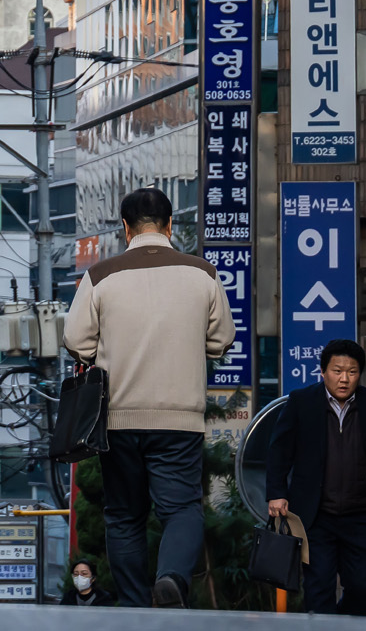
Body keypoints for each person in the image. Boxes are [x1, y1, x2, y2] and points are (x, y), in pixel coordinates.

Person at [64, 186, 234, 609]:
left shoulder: (100, 276)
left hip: (118, 417)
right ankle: (172, 579)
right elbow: (222, 340)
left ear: (125, 228)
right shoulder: (203, 273)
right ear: (170, 224)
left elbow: (75, 340)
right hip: (180, 418)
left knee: (124, 516)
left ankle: (135, 607)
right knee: (181, 509)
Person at [266, 338, 366, 616]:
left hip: (360, 515)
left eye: (351, 372)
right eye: (337, 371)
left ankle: (342, 624)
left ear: (359, 374)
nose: (344, 379)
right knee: (318, 588)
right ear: (323, 371)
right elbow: (280, 450)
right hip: (316, 517)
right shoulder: (302, 402)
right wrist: (276, 492)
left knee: (362, 585)